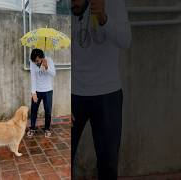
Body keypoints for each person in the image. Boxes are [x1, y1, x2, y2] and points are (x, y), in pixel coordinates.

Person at [71, 0, 132, 179]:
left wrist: (104, 19)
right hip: (73, 94)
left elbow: (126, 41)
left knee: (108, 164)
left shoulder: (114, 3)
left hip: (108, 94)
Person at [27, 48, 56, 138]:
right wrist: (33, 92)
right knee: (34, 110)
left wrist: (47, 67)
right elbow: (33, 77)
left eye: (37, 61)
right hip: (37, 91)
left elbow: (54, 74)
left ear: (42, 57)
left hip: (48, 90)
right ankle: (32, 128)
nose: (36, 63)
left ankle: (47, 129)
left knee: (48, 111)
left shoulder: (49, 60)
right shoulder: (32, 62)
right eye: (34, 61)